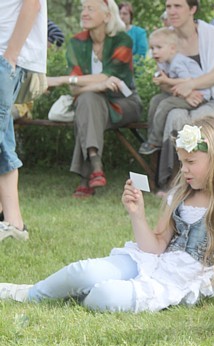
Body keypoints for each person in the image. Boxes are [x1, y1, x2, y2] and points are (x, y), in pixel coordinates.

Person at [0, 116, 214, 312]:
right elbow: (156, 246)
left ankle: (75, 294)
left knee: (105, 295)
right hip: (155, 261)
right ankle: (31, 293)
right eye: (182, 162)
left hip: (185, 278)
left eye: (191, 163)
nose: (185, 170)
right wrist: (137, 214)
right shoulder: (181, 193)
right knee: (83, 272)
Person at [46, 0, 143, 198]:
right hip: (91, 103)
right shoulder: (76, 42)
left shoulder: (122, 40)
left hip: (124, 102)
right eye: (83, 8)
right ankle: (95, 164)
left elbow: (108, 76)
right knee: (88, 100)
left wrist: (62, 80)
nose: (84, 13)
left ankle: (86, 178)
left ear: (107, 16)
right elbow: (76, 89)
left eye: (90, 9)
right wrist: (97, 85)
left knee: (87, 106)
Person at [154, 0, 214, 192]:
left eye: (178, 6)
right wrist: (186, 94)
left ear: (192, 9)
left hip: (209, 96)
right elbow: (162, 79)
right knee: (176, 117)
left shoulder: (208, 33)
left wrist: (191, 85)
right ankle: (173, 180)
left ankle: (208, 179)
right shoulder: (166, 35)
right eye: (168, 6)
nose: (172, 11)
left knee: (201, 120)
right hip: (181, 98)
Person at [0, 0, 47, 242]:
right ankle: (13, 223)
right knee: (3, 141)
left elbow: (32, 4)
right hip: (6, 57)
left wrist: (10, 55)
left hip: (5, 57)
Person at [138, 27, 210, 155]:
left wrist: (166, 80)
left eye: (159, 48)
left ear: (172, 48)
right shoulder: (165, 62)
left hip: (199, 95)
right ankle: (151, 137)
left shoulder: (177, 62)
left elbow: (187, 80)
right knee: (156, 100)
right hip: (184, 93)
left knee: (165, 104)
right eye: (152, 48)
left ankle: (156, 141)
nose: (154, 52)